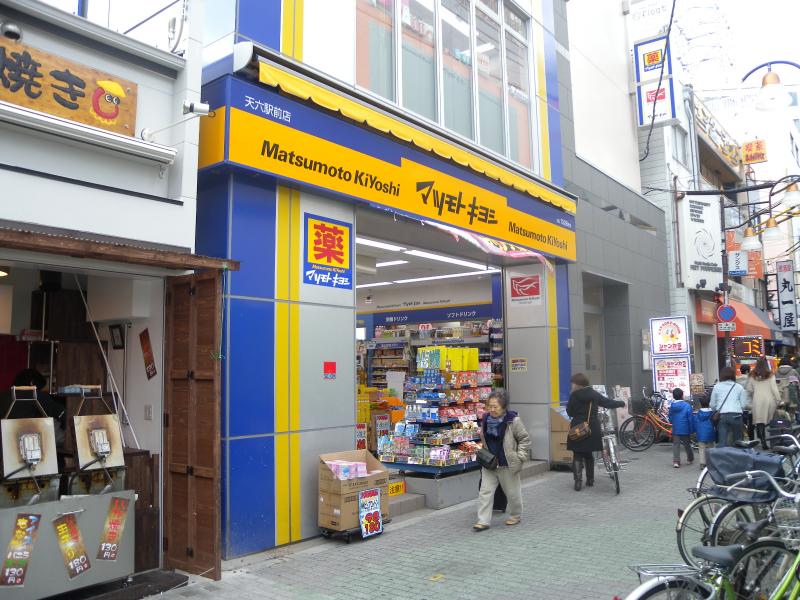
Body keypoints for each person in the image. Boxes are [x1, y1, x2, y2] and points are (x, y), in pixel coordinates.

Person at [474, 391, 530, 531]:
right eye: (490, 406)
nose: (492, 409)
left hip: (507, 463)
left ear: (504, 407)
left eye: (495, 407)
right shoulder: (485, 419)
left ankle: (515, 515)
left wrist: (519, 457)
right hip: (490, 463)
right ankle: (483, 521)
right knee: (485, 492)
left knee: (512, 493)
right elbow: (484, 438)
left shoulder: (513, 421)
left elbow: (524, 439)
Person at [566, 373, 625, 491]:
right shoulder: (593, 394)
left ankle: (578, 483)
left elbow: (570, 412)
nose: (572, 385)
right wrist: (621, 403)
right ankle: (590, 480)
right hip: (591, 428)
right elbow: (607, 403)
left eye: (573, 383)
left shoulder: (574, 396)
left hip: (577, 428)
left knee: (577, 455)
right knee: (588, 455)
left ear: (577, 384)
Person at [745, 357, 780, 450]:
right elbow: (774, 389)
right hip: (769, 400)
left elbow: (749, 389)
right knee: (768, 420)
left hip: (757, 400)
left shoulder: (752, 375)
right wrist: (778, 400)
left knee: (760, 421)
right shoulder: (770, 375)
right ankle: (773, 440)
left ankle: (763, 441)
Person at [709, 367, 747, 448]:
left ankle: (723, 455)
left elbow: (712, 404)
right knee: (738, 441)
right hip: (737, 415)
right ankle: (737, 454)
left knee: (723, 441)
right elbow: (743, 405)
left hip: (723, 415)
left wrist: (716, 410)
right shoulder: (739, 387)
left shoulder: (717, 387)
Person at [668, 388, 694, 468]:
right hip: (685, 428)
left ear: (673, 396)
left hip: (676, 428)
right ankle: (690, 459)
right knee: (687, 444)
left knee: (676, 445)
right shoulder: (687, 405)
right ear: (682, 395)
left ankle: (676, 461)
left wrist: (673, 422)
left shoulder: (672, 406)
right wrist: (691, 429)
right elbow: (690, 418)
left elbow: (670, 417)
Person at [693, 395, 716, 469]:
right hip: (710, 433)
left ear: (700, 403)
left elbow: (695, 424)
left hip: (701, 434)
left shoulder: (698, 414)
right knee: (711, 448)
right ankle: (711, 462)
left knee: (701, 448)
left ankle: (702, 463)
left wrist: (695, 431)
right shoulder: (712, 413)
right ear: (709, 403)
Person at [737, 364, 754, 440]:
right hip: (750, 405)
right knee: (751, 424)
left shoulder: (736, 380)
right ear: (747, 371)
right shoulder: (752, 380)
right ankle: (751, 439)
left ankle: (742, 438)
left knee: (742, 424)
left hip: (740, 405)